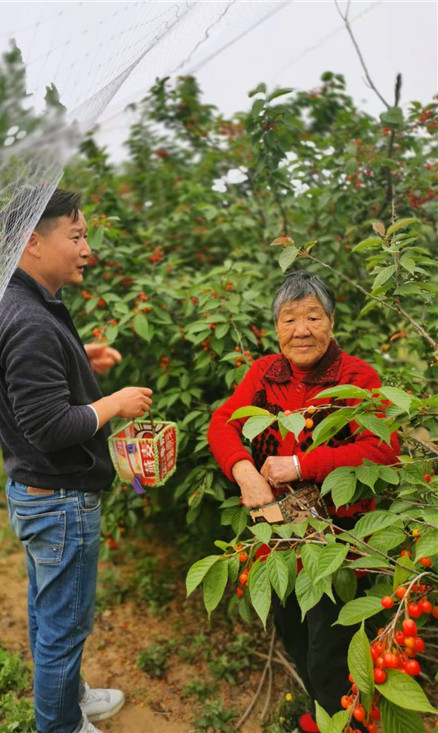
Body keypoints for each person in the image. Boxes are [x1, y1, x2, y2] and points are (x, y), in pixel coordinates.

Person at [0, 188, 153, 733]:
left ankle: (70, 697)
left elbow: (32, 386)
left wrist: (80, 361)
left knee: (47, 609)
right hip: (59, 501)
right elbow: (50, 427)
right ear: (33, 242)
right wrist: (114, 403)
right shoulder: (30, 320)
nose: (86, 249)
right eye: (76, 236)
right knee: (63, 627)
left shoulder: (19, 301)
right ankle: (61, 726)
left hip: (37, 492)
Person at [207, 271, 399, 733]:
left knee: (330, 651)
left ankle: (346, 723)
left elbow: (384, 448)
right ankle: (324, 718)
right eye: (289, 319)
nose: (301, 330)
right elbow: (222, 423)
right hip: (280, 536)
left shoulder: (356, 377)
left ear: (331, 322)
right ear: (276, 327)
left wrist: (300, 464)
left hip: (339, 542)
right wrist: (244, 471)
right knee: (293, 631)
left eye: (313, 317)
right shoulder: (264, 374)